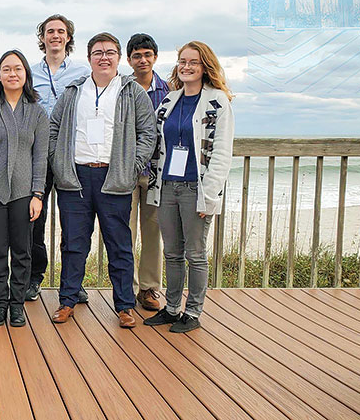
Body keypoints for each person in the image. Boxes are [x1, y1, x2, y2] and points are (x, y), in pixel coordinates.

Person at [48, 32, 155, 328]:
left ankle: (124, 306)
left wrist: (132, 166)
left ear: (119, 58)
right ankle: (67, 300)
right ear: (89, 57)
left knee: (119, 245)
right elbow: (54, 128)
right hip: (77, 179)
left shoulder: (133, 92)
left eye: (110, 52)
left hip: (115, 177)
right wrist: (59, 163)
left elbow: (148, 133)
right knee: (73, 244)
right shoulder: (73, 91)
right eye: (98, 52)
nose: (104, 57)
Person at [144, 41, 234, 333]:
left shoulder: (217, 101)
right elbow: (159, 146)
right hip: (168, 185)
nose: (186, 66)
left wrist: (209, 195)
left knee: (195, 254)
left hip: (197, 188)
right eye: (182, 61)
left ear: (204, 65)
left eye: (193, 62)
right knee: (171, 252)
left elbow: (221, 152)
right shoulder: (169, 101)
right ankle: (171, 309)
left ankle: (192, 313)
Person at [0, 50, 48, 327]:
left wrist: (38, 194)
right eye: (6, 69)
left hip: (24, 194)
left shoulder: (37, 112)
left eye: (17, 69)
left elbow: (41, 157)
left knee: (22, 251)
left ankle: (17, 305)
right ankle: (0, 302)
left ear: (26, 74)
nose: (12, 74)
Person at [28, 14, 90, 303]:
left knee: (73, 222)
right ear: (42, 37)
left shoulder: (82, 72)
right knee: (34, 219)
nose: (55, 36)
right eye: (49, 31)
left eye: (61, 31)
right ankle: (34, 277)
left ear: (68, 37)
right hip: (36, 153)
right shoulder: (29, 71)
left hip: (68, 153)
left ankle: (72, 281)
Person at [126, 33, 170, 311]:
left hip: (157, 172)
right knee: (124, 232)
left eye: (147, 54)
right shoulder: (122, 88)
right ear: (129, 60)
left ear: (155, 57)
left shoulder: (168, 90)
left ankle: (150, 288)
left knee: (153, 232)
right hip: (127, 171)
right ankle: (126, 290)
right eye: (137, 55)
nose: (142, 60)